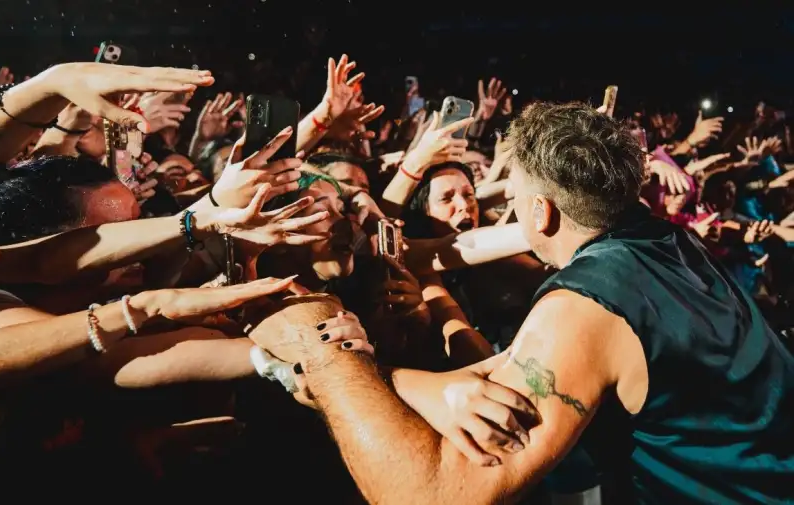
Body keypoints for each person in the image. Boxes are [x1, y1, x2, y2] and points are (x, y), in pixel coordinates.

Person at [254, 102, 794, 504]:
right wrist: (396, 378)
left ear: (539, 212)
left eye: (509, 197)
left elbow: (435, 495)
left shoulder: (586, 306)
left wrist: (332, 368)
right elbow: (519, 364)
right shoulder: (664, 241)